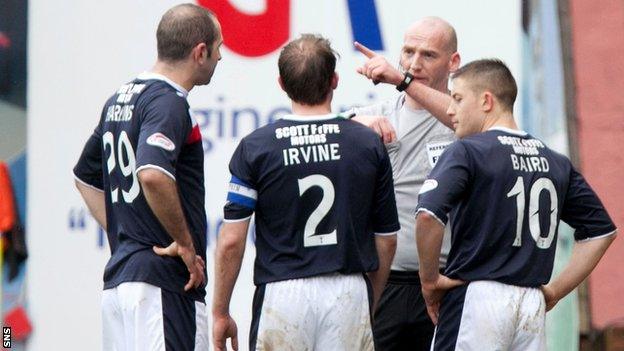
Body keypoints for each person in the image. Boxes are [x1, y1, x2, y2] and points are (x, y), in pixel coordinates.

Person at [211, 34, 400, 351]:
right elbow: (388, 239)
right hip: (348, 290)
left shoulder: (257, 146)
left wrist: (220, 312)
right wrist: (369, 298)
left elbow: (231, 241)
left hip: (283, 293)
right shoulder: (366, 144)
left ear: (281, 84)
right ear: (335, 80)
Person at [416, 59, 617, 350]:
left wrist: (429, 280)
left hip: (477, 298)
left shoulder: (467, 151)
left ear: (486, 101)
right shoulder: (555, 160)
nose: (450, 109)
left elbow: (427, 216)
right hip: (531, 303)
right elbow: (601, 233)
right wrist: (554, 292)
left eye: (457, 98)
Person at [73, 4, 223, 350]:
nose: (220, 57)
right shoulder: (169, 101)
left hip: (122, 284)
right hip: (162, 286)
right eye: (218, 48)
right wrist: (184, 244)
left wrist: (129, 236)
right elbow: (152, 173)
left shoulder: (119, 99)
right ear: (199, 52)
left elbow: (84, 179)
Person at [351, 17, 459, 350]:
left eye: (428, 55)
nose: (414, 63)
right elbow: (331, 128)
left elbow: (462, 116)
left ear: (453, 62)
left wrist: (402, 79)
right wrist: (355, 123)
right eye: (408, 52)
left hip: (444, 284)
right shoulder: (376, 111)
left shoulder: (463, 117)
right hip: (385, 280)